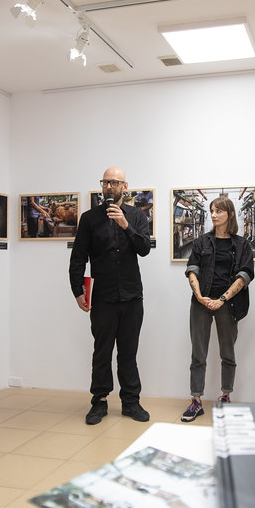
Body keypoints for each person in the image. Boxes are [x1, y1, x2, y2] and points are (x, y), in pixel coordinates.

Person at [69, 167, 152, 425]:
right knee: (102, 351)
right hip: (102, 297)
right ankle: (99, 402)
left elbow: (144, 249)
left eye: (115, 183)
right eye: (106, 182)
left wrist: (125, 225)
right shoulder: (89, 218)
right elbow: (78, 258)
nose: (109, 187)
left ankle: (130, 402)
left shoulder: (136, 216)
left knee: (128, 352)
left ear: (124, 186)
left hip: (131, 297)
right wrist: (77, 291)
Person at [181, 197, 254, 421]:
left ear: (230, 214)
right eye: (212, 211)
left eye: (219, 211)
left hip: (228, 304)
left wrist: (222, 298)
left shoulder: (242, 244)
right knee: (198, 354)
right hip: (201, 303)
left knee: (227, 353)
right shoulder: (202, 242)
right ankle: (196, 400)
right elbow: (191, 269)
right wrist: (200, 296)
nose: (214, 215)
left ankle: (225, 397)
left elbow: (245, 275)